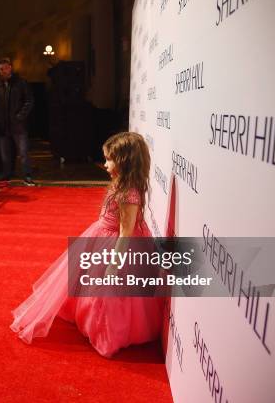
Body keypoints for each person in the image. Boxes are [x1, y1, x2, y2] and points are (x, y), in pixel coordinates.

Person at [10, 132, 164, 357]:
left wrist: (114, 263)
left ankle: (108, 332)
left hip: (116, 246)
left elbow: (126, 231)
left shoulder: (130, 193)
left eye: (109, 159)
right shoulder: (122, 184)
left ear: (124, 161)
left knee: (110, 292)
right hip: (101, 237)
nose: (105, 164)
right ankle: (91, 319)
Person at [0, 57, 35, 185]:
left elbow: (29, 101)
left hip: (18, 124)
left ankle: (27, 175)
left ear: (10, 67)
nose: (2, 71)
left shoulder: (21, 83)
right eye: (0, 69)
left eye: (4, 68)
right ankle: (6, 173)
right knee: (5, 152)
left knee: (23, 152)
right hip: (4, 124)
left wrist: (20, 116)